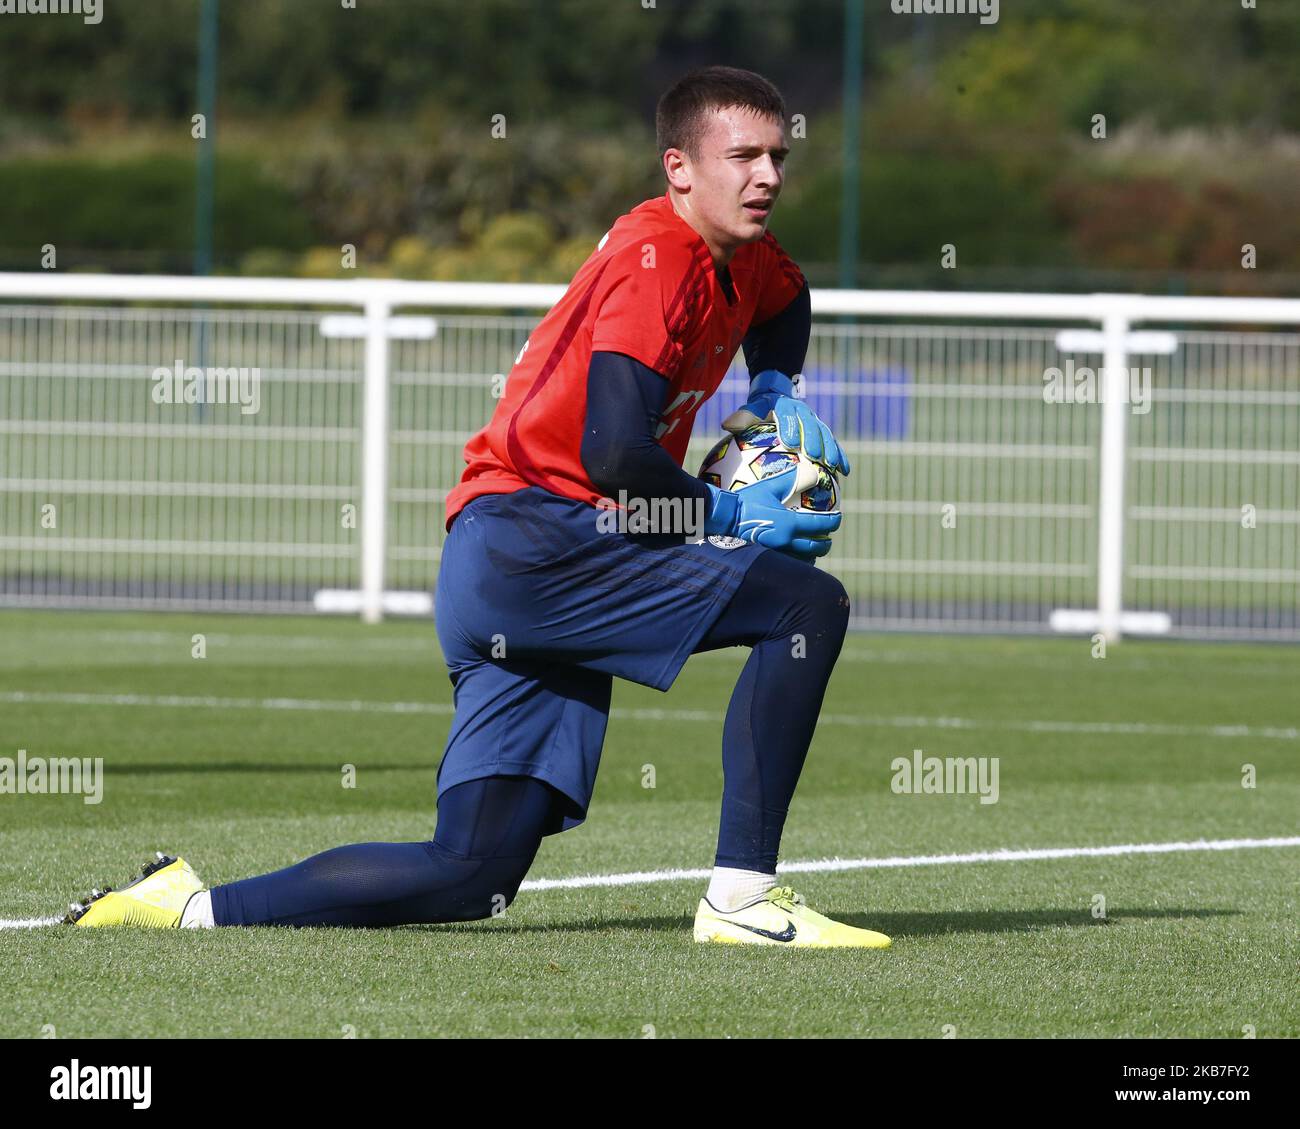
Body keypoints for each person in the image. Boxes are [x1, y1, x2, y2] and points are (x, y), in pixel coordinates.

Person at [66, 66, 890, 949]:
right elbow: (613, 456)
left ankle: (184, 906)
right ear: (678, 167)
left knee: (472, 871)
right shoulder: (664, 260)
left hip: (501, 562)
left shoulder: (739, 256)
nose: (767, 175)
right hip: (545, 540)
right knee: (807, 603)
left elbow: (787, 297)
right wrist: (730, 519)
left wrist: (771, 383)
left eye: (778, 155)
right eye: (743, 156)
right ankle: (741, 898)